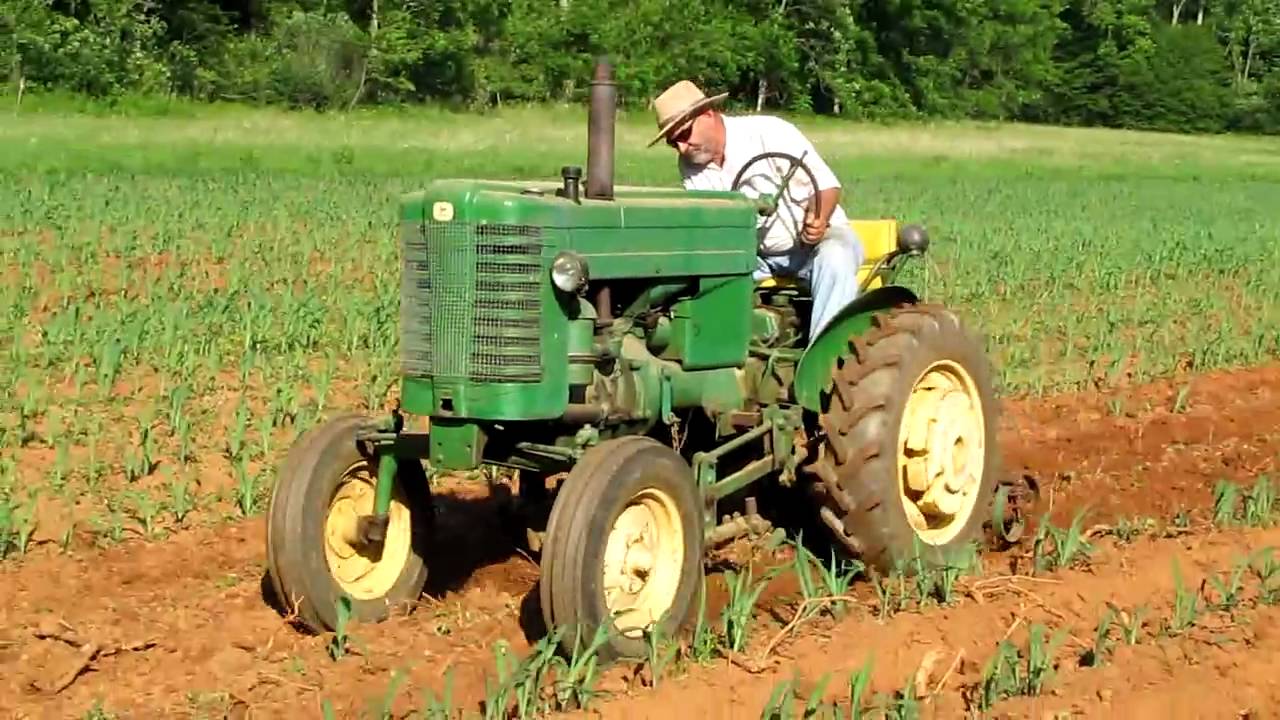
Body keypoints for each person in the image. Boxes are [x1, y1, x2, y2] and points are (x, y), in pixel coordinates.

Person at [648, 80, 864, 347]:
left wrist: (817, 220)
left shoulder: (768, 132)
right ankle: (724, 355)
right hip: (757, 257)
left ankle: (824, 360)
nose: (682, 148)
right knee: (702, 276)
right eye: (673, 143)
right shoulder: (691, 165)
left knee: (836, 257)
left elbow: (826, 186)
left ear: (707, 114)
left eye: (684, 135)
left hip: (811, 246)